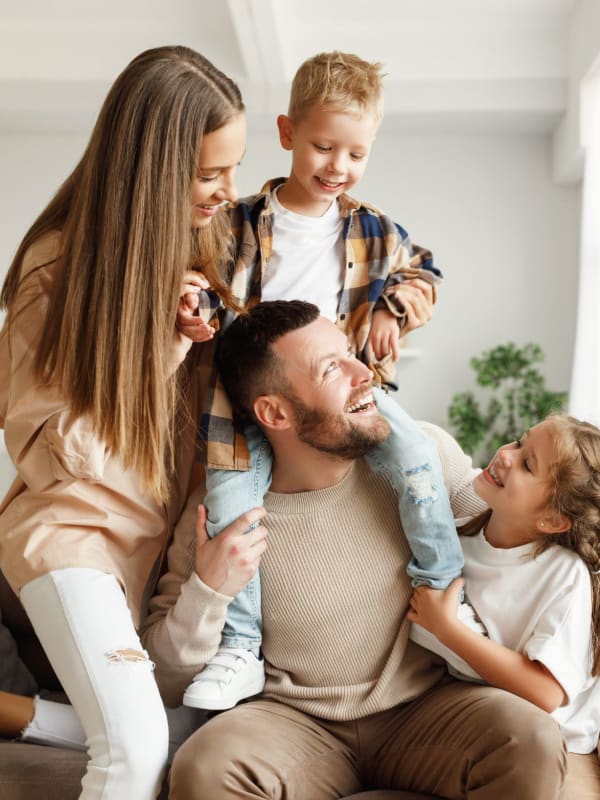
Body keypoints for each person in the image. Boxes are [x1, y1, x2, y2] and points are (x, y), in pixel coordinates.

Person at [142, 300, 567, 799]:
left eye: (349, 352)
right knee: (205, 765)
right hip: (294, 723)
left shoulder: (422, 457)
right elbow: (164, 678)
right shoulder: (219, 516)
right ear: (274, 412)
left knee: (530, 736)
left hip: (428, 710)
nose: (364, 372)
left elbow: (523, 518)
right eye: (332, 368)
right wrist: (209, 590)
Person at [177, 50, 470, 712]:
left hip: (349, 395)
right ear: (286, 134)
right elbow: (204, 283)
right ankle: (240, 646)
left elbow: (425, 273)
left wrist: (396, 308)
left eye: (355, 154)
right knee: (230, 512)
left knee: (418, 458)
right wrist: (195, 306)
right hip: (244, 399)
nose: (337, 167)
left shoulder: (374, 230)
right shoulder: (237, 223)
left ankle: (444, 590)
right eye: (322, 147)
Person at [0, 45, 246, 799]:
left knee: (164, 736)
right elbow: (51, 456)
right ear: (154, 170)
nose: (227, 191)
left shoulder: (202, 253)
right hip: (68, 536)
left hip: (143, 555)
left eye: (232, 169)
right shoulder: (55, 269)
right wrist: (161, 349)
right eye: (210, 174)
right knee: (135, 754)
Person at [408, 413, 600, 754]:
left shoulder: (563, 574)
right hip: (479, 711)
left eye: (527, 464)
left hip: (551, 741)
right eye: (518, 441)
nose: (506, 454)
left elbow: (546, 694)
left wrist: (447, 628)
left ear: (553, 519)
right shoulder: (456, 540)